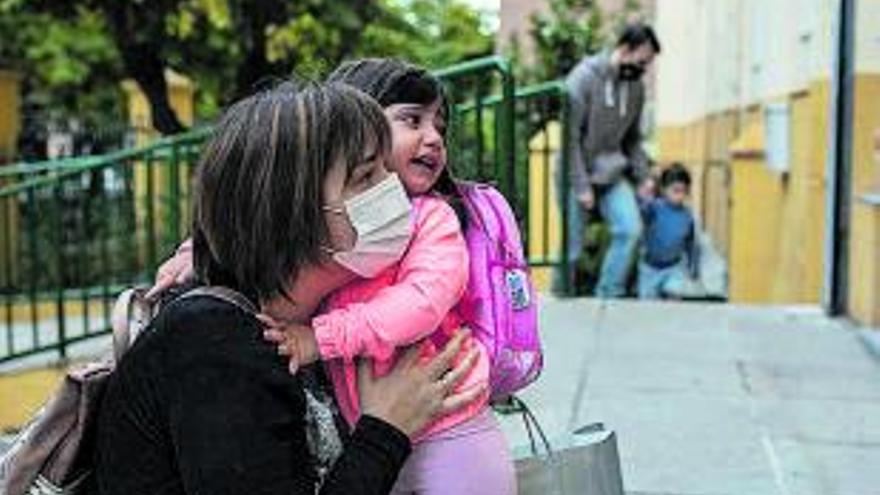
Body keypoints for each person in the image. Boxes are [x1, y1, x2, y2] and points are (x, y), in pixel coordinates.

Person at [147, 59, 517, 495]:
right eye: (366, 176)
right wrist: (385, 431)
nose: (390, 190)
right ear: (292, 209)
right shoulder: (219, 348)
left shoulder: (414, 234)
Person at [552, 23, 661, 298]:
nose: (644, 68)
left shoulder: (635, 88)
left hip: (611, 173)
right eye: (642, 61)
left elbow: (633, 139)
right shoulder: (583, 79)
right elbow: (569, 139)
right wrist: (581, 186)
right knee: (572, 248)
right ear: (624, 49)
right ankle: (559, 301)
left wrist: (643, 175)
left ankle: (607, 296)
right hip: (575, 172)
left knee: (630, 229)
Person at [638, 163, 699, 299]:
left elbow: (691, 243)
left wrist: (693, 268)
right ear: (664, 189)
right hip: (650, 269)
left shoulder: (687, 216)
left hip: (674, 267)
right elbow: (642, 209)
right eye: (675, 191)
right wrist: (649, 186)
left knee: (674, 300)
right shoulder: (654, 208)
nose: (680, 196)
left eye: (684, 191)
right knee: (647, 309)